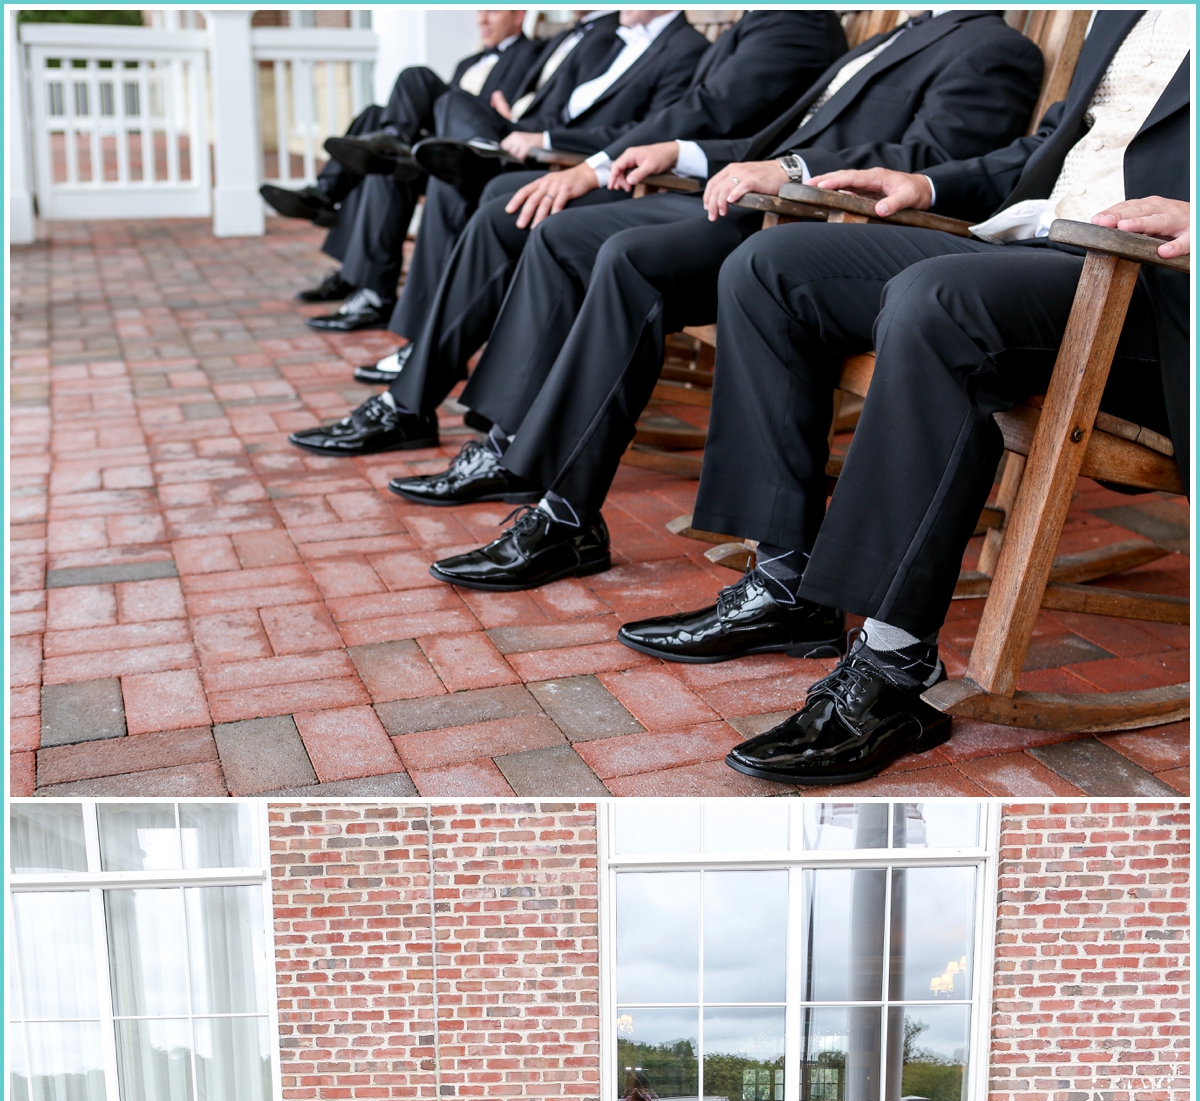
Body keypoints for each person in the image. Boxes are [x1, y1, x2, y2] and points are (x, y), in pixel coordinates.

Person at [625, 6, 1190, 784]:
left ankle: (894, 667)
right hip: (1038, 246)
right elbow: (1056, 151)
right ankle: (786, 583)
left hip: (1155, 295)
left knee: (938, 300)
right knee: (768, 268)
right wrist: (927, 182)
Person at [285, 8, 1042, 490]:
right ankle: (513, 444)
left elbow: (931, 157)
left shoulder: (989, 45)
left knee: (619, 255)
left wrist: (791, 171)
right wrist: (678, 151)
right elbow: (756, 136)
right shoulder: (887, 40)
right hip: (750, 203)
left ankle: (552, 486)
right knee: (559, 231)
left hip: (816, 230)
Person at [350, 8, 846, 386]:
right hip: (684, 173)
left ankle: (482, 421)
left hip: (737, 200)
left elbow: (709, 111)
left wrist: (590, 162)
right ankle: (434, 392)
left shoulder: (792, 23)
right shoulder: (752, 21)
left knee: (528, 213)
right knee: (485, 189)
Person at [264, 11, 551, 326]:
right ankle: (330, 194)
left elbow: (543, 106)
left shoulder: (535, 53)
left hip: (480, 153)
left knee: (415, 81)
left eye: (493, 10)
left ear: (519, 15)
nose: (482, 19)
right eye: (479, 10)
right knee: (377, 123)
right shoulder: (466, 64)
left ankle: (341, 201)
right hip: (442, 148)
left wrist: (518, 116)